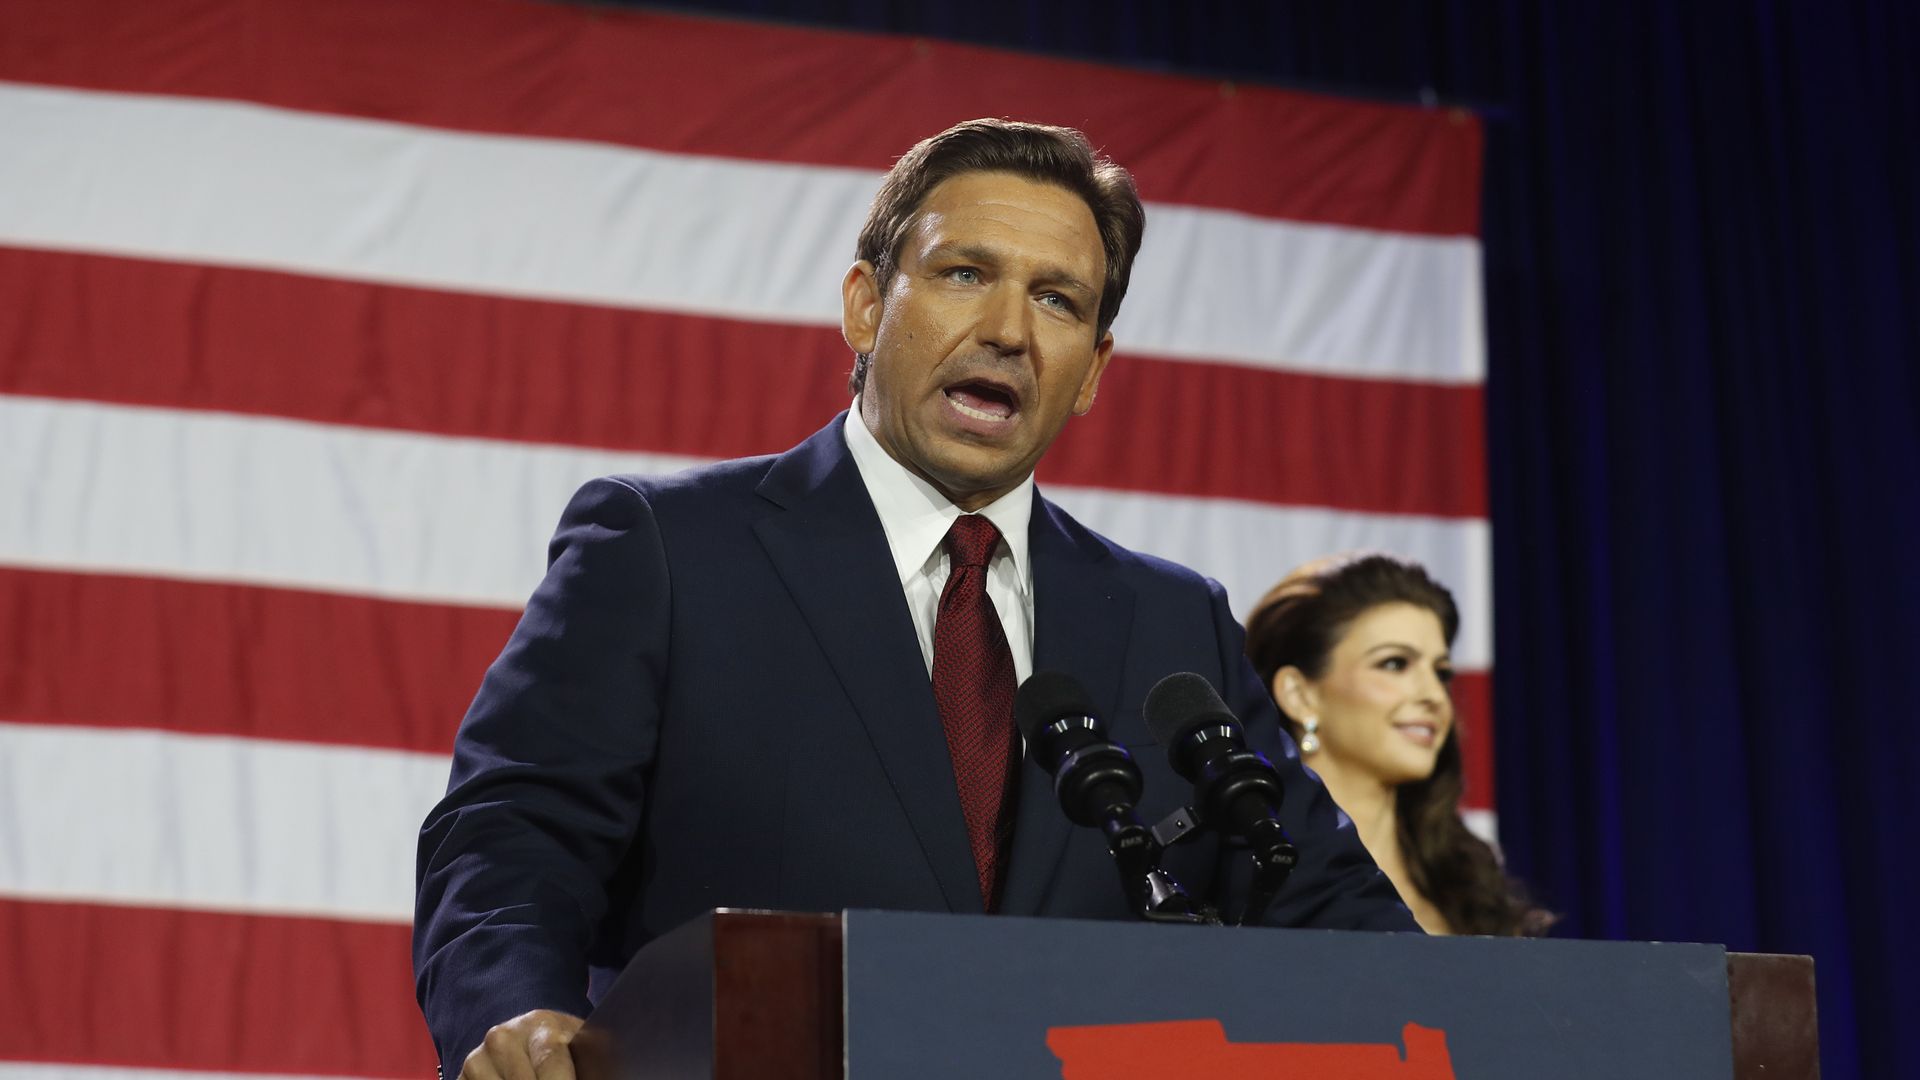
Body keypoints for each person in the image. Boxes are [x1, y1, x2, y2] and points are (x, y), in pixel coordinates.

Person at [413, 119, 1419, 1080]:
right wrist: (514, 1013)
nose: (1009, 331)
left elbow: (1324, 905)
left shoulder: (1171, 620)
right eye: (964, 274)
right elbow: (514, 839)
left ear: (1091, 373)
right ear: (865, 304)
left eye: (1060, 300)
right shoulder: (668, 550)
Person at [1243, 552, 1552, 937]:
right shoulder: (1247, 873)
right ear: (1300, 694)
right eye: (1394, 664)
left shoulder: (1472, 886)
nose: (1434, 696)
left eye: (1441, 673)